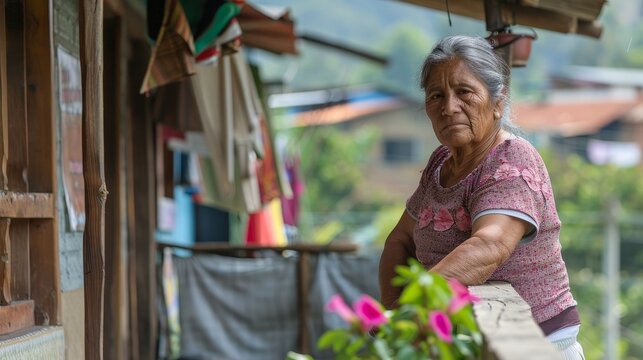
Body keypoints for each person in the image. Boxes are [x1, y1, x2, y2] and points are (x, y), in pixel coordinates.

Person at [378, 35, 585, 359]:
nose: (449, 107)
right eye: (436, 95)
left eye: (464, 92)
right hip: (466, 344)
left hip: (533, 343)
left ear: (498, 102)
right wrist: (395, 320)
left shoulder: (512, 159)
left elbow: (489, 246)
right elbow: (400, 241)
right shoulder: (440, 163)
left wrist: (408, 315)